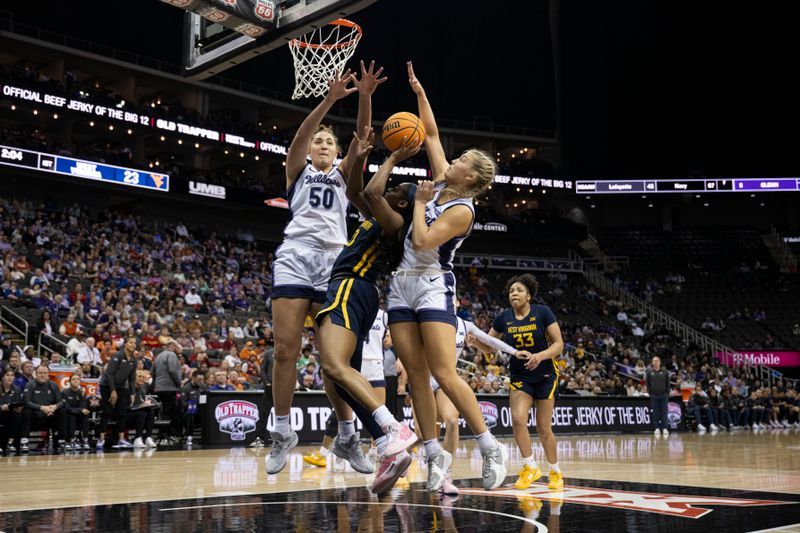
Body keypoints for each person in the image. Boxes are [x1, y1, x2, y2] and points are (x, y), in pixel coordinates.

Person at [385, 61, 506, 492]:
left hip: (434, 282)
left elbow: (420, 241)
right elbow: (432, 134)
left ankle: (490, 445)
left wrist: (418, 202)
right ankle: (435, 455)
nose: (449, 161)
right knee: (414, 375)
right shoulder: (442, 182)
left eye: (458, 161)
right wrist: (419, 92)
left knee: (443, 371)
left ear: (469, 177)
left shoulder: (461, 209)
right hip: (401, 283)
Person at [267, 61, 385, 475]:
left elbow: (361, 139)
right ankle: (282, 431)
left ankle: (348, 436)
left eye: (328, 144)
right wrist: (330, 99)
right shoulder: (297, 172)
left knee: (335, 362)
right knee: (285, 350)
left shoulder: (344, 174)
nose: (321, 146)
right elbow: (299, 136)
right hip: (296, 256)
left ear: (336, 153)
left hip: (335, 263)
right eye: (319, 142)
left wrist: (365, 97)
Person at [487, 273, 565, 491]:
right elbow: (488, 345)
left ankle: (556, 471)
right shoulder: (504, 318)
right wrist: (476, 341)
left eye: (519, 290)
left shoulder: (543, 312)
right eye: (511, 291)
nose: (514, 293)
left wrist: (540, 356)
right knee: (518, 419)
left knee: (543, 428)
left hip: (546, 375)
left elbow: (559, 344)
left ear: (529, 295)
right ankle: (530, 467)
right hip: (520, 376)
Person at [96, 337, 137, 450]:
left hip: (121, 386)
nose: (133, 345)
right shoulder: (118, 356)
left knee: (122, 411)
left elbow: (132, 378)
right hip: (106, 385)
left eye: (135, 343)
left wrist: (133, 393)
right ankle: (101, 439)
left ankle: (121, 439)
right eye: (131, 342)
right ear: (125, 345)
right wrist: (112, 391)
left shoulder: (134, 359)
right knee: (106, 411)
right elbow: (109, 374)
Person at [20, 364, 69, 452]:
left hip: (49, 416)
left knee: (62, 410)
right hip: (34, 417)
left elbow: (61, 401)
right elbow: (26, 402)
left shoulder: (53, 385)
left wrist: (54, 407)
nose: (42, 375)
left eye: (45, 373)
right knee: (27, 410)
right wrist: (41, 407)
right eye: (40, 373)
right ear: (35, 374)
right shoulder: (30, 385)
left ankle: (61, 440)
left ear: (48, 374)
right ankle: (24, 441)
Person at [152, 342, 183, 442]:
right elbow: (172, 370)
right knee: (171, 411)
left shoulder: (158, 356)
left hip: (159, 387)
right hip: (169, 387)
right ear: (172, 347)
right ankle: (169, 434)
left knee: (164, 410)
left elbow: (152, 372)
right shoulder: (171, 354)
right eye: (176, 347)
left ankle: (163, 433)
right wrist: (179, 382)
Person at [127, 371, 158, 449]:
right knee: (142, 413)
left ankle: (148, 437)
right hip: (126, 414)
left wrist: (147, 404)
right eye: (139, 376)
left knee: (150, 412)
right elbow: (126, 407)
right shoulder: (128, 389)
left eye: (143, 377)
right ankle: (137, 438)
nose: (141, 379)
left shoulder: (142, 389)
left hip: (138, 414)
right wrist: (140, 406)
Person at [61, 373, 91, 450]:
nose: (75, 381)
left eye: (77, 379)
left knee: (85, 415)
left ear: (79, 382)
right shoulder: (64, 392)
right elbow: (67, 408)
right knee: (71, 415)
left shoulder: (81, 393)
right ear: (69, 382)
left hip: (78, 414)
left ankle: (85, 440)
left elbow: (83, 406)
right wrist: (80, 410)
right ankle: (71, 440)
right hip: (68, 414)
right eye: (73, 379)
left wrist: (82, 410)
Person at [0, 368, 23, 453]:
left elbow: (18, 403)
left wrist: (18, 408)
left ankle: (10, 443)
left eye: (12, 375)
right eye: (7, 375)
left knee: (18, 416)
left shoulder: (16, 389)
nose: (10, 377)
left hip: (9, 414)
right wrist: (1, 407)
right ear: (2, 377)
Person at [646, 356, 671, 436]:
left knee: (664, 412)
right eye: (654, 361)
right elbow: (648, 384)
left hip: (664, 395)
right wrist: (650, 393)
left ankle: (665, 428)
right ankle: (657, 428)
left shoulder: (664, 372)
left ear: (660, 362)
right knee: (655, 412)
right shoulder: (649, 372)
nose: (655, 362)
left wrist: (667, 392)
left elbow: (668, 383)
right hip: (654, 395)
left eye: (657, 361)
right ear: (652, 363)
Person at [181, 370, 206, 446]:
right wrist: (193, 403)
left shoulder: (204, 386)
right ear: (193, 378)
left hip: (201, 411)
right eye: (199, 379)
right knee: (190, 414)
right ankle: (189, 437)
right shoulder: (186, 388)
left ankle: (207, 437)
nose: (201, 381)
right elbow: (183, 403)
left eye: (202, 379)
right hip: (189, 411)